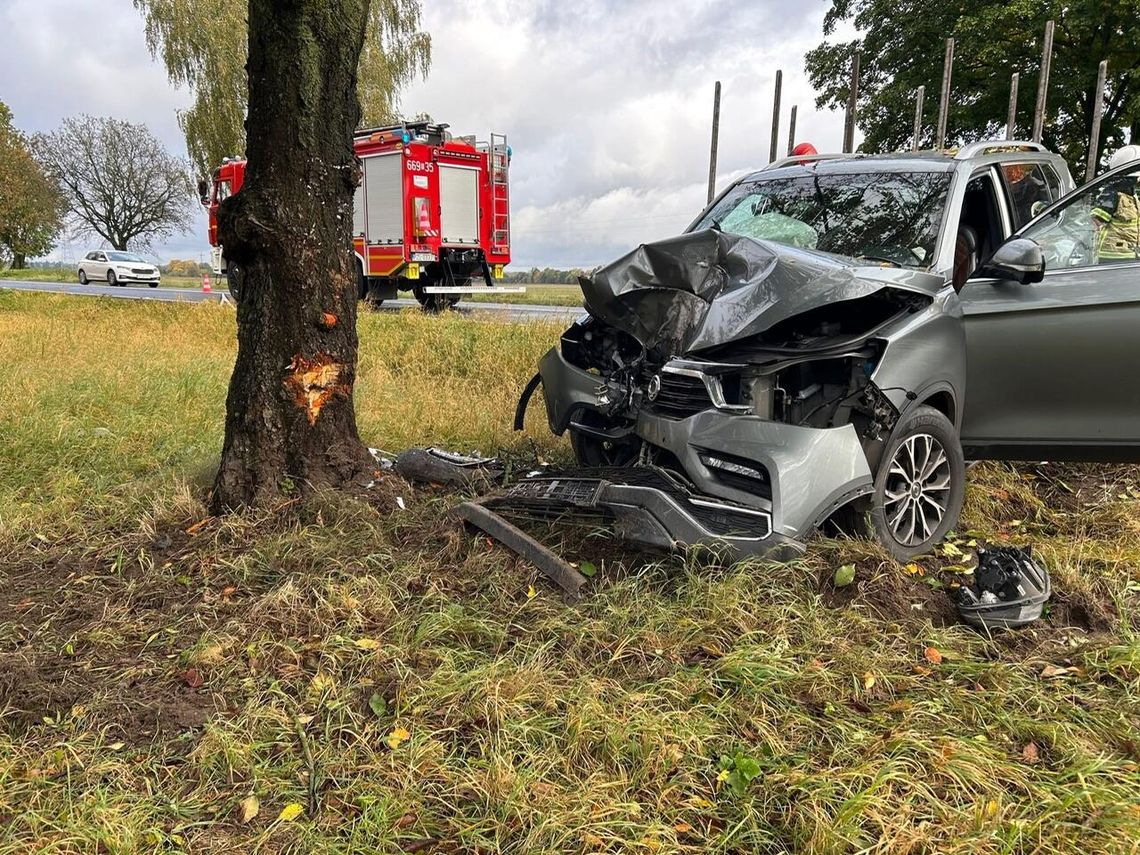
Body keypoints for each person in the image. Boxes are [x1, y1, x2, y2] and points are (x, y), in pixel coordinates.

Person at [1092, 145, 1140, 262]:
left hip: (1129, 256)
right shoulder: (1112, 194)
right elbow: (1094, 223)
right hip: (1113, 258)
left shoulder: (1132, 196)